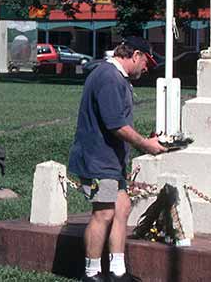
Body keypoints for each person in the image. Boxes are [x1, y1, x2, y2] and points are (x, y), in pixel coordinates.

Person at [68, 36, 167, 282]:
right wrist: (146, 144)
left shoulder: (113, 77)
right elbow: (116, 125)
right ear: (135, 56)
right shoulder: (109, 77)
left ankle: (117, 272)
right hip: (98, 160)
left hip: (110, 161)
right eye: (146, 62)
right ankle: (91, 274)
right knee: (103, 214)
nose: (146, 69)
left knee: (121, 209)